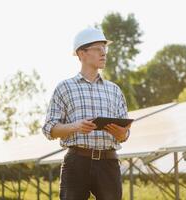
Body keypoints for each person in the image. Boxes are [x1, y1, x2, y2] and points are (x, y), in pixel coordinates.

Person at [42, 27, 131, 200]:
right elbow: (49, 129)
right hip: (76, 162)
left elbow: (125, 133)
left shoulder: (115, 90)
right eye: (98, 49)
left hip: (109, 162)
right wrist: (75, 127)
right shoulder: (64, 88)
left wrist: (122, 133)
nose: (104, 53)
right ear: (81, 53)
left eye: (105, 49)